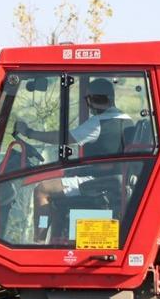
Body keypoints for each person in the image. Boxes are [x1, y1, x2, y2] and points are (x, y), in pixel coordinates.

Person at [14, 78, 133, 241]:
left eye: (88, 100)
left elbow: (63, 138)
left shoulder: (98, 123)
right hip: (111, 179)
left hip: (97, 181)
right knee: (57, 195)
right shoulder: (126, 120)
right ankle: (54, 241)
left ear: (91, 100)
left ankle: (38, 241)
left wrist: (29, 132)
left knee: (42, 190)